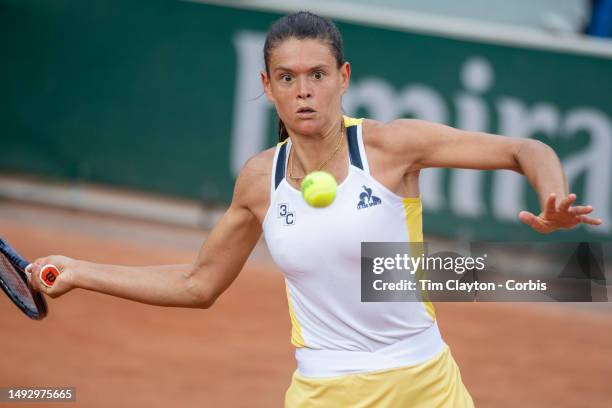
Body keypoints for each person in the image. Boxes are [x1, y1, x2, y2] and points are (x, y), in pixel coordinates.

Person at [28, 11, 602, 407]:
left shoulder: (390, 146)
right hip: (324, 390)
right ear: (268, 86)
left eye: (317, 75)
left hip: (424, 383)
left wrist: (551, 196)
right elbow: (198, 282)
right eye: (288, 77)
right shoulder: (259, 180)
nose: (304, 90)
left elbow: (523, 148)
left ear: (342, 78)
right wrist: (79, 272)